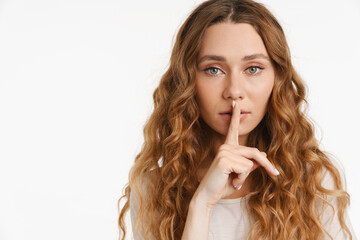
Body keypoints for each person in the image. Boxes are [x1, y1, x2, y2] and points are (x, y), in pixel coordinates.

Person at [118, 0, 357, 239]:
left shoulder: (315, 179)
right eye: (213, 69)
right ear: (187, 82)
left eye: (253, 69)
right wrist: (202, 204)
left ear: (277, 77)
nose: (234, 90)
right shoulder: (153, 187)